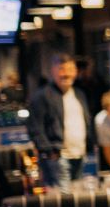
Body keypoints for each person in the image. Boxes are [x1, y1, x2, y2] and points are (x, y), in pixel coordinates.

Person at [25, 53, 95, 191]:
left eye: (70, 70)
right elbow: (34, 127)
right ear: (53, 71)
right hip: (57, 156)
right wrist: (48, 150)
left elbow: (86, 121)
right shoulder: (42, 96)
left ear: (75, 72)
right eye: (61, 69)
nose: (66, 74)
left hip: (79, 154)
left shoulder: (79, 94)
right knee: (63, 199)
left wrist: (90, 144)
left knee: (76, 194)